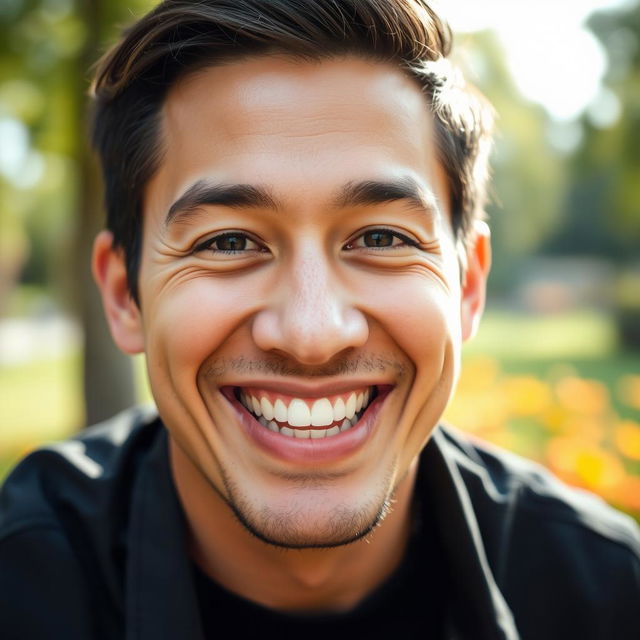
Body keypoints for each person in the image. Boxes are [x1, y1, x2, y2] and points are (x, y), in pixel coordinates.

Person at [1, 1, 639, 638]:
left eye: (383, 238)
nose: (313, 334)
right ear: (123, 296)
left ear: (468, 285)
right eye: (228, 242)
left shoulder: (609, 596)